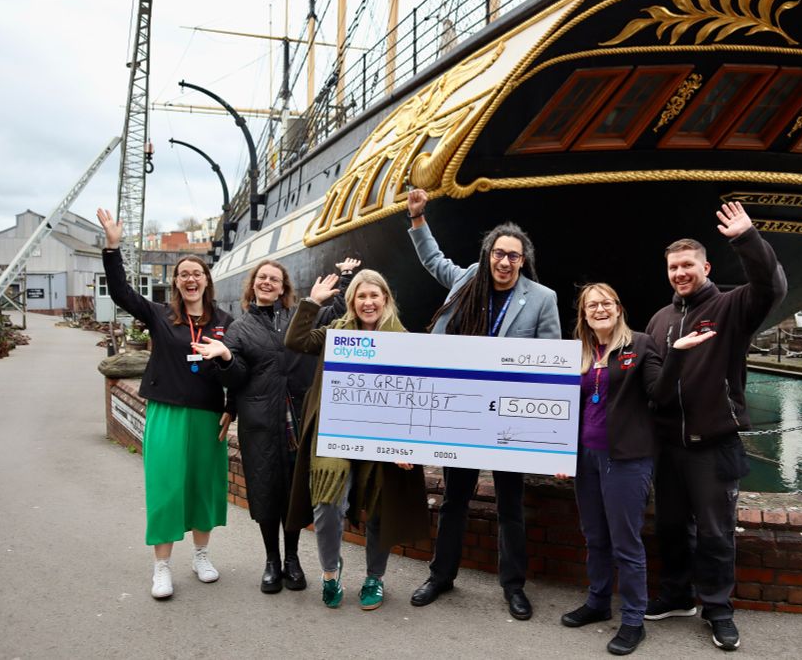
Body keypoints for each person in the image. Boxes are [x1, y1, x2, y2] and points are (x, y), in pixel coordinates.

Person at [405, 188, 561, 621]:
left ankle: (513, 586)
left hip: (508, 417)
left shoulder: (542, 298)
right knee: (454, 500)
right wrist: (418, 218)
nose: (504, 262)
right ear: (488, 254)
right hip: (462, 411)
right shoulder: (470, 278)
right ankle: (441, 576)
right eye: (498, 253)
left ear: (523, 261)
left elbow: (550, 363)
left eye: (513, 256)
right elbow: (434, 261)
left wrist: (547, 434)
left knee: (511, 505)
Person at [644, 201, 786, 651]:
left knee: (716, 532)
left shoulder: (730, 307)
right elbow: (653, 385)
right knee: (670, 527)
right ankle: (676, 595)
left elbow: (771, 286)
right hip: (669, 445)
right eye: (673, 267)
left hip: (713, 444)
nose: (680, 273)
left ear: (705, 267)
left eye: (688, 265)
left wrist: (747, 238)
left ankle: (718, 609)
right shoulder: (660, 320)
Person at [558, 283, 714, 655]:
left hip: (626, 458)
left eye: (606, 303)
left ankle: (632, 621)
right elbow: (563, 404)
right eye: (591, 305)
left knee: (626, 543)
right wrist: (558, 455)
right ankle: (598, 602)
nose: (599, 309)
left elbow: (660, 393)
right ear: (583, 315)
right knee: (595, 536)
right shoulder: (578, 351)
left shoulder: (640, 345)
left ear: (618, 308)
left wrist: (676, 355)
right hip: (585, 458)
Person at [193, 257, 359, 594]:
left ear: (283, 288)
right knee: (265, 490)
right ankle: (272, 560)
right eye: (262, 277)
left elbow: (340, 316)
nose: (267, 282)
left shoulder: (300, 317)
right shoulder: (240, 328)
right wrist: (226, 357)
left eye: (274, 279)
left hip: (297, 416)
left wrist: (345, 278)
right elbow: (236, 378)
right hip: (261, 421)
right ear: (253, 284)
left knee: (294, 492)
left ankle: (292, 559)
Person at [96, 208, 234, 600]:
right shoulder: (160, 316)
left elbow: (239, 368)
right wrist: (112, 248)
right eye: (184, 274)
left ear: (207, 280)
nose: (191, 279)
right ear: (176, 282)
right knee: (166, 487)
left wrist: (233, 407)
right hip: (168, 411)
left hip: (208, 415)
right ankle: (162, 567)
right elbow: (121, 293)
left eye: (197, 273)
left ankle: (201, 556)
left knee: (204, 487)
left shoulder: (224, 321)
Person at [283, 269, 429, 610]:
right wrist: (312, 302)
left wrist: (408, 444)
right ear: (352, 301)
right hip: (337, 433)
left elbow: (415, 395)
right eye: (361, 296)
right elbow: (295, 341)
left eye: (374, 295)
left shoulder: (403, 339)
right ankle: (330, 572)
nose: (368, 302)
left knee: (380, 507)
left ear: (385, 299)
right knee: (327, 504)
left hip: (384, 437)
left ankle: (374, 577)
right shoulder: (336, 332)